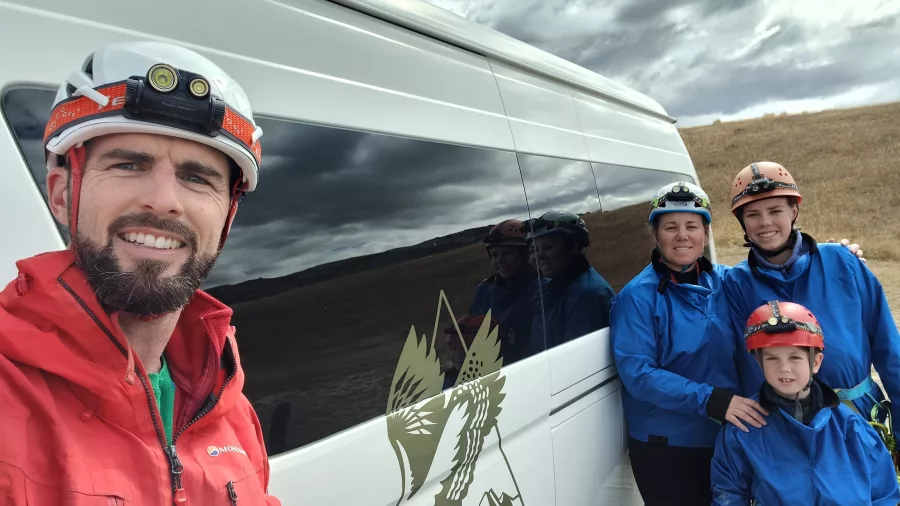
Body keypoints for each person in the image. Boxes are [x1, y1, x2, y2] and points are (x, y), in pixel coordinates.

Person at [0, 41, 280, 504]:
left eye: (197, 177)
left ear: (227, 216)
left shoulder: (229, 407)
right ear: (62, 193)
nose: (163, 199)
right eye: (129, 164)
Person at [611, 181, 768, 506]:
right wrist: (713, 400)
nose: (682, 235)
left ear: (706, 234)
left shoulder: (724, 281)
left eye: (692, 226)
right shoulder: (637, 297)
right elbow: (639, 375)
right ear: (656, 235)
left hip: (726, 435)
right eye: (670, 227)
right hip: (668, 447)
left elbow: (780, 273)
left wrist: (837, 257)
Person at [723, 161, 900, 427]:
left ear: (793, 211)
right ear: (742, 222)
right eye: (753, 215)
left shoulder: (842, 261)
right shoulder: (736, 284)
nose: (765, 223)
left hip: (859, 418)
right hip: (784, 426)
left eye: (775, 210)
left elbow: (888, 346)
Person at [710, 300, 900, 505]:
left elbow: (884, 493)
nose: (784, 368)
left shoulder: (851, 427)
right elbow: (728, 493)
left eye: (794, 358)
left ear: (816, 362)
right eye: (772, 358)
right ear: (759, 362)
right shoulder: (744, 430)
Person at [522, 210, 615, 349]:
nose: (537, 257)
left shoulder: (586, 295)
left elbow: (577, 358)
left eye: (548, 247)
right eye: (534, 250)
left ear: (573, 247)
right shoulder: (554, 288)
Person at [470, 219, 540, 364]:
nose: (500, 260)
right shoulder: (485, 290)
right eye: (494, 255)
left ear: (526, 253)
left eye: (507, 253)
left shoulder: (542, 289)